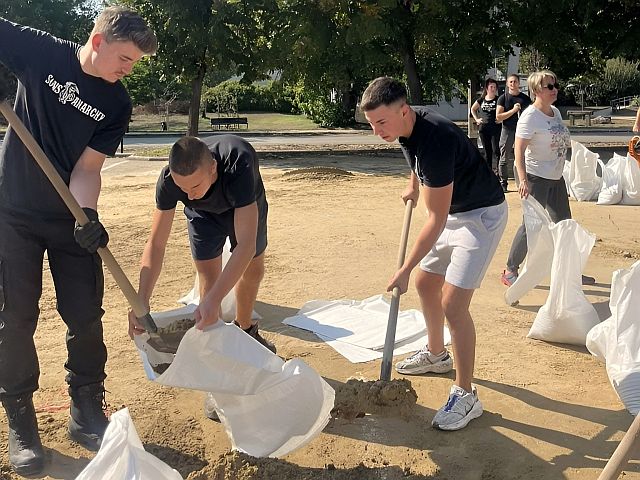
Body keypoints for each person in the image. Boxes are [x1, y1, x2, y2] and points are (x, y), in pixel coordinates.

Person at [0, 7, 157, 475]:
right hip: (14, 214)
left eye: (134, 63)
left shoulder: (117, 103)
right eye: (125, 58)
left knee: (86, 314)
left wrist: (87, 216)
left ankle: (85, 407)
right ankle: (21, 420)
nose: (127, 70)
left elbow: (87, 170)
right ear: (98, 39)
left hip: (69, 215)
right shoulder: (40, 52)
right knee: (15, 317)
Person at [360, 77, 507, 431]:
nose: (377, 131)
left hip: (480, 216)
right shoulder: (405, 127)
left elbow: (436, 219)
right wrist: (413, 184)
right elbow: (414, 157)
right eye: (371, 124)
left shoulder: (436, 140)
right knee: (428, 284)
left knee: (453, 304)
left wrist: (405, 267)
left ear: (403, 111)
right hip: (454, 211)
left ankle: (466, 393)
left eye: (381, 123)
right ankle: (438, 355)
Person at [128, 135, 274, 354]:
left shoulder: (238, 163)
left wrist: (216, 299)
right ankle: (211, 342)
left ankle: (244, 328)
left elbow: (246, 245)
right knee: (208, 278)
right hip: (203, 217)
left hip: (242, 205)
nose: (190, 194)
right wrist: (142, 299)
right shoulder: (169, 181)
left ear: (212, 168)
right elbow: (156, 243)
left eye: (195, 185)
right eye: (182, 187)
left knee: (253, 271)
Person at [500, 71, 595, 287]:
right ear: (536, 91)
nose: (554, 90)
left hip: (555, 177)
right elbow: (518, 150)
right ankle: (510, 269)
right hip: (535, 177)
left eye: (555, 85)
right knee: (531, 224)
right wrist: (522, 180)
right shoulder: (530, 117)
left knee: (565, 225)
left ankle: (570, 272)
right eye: (549, 86)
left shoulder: (555, 113)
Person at [496, 74, 532, 192]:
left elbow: (532, 114)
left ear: (518, 83)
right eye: (510, 82)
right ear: (507, 84)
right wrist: (513, 110)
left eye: (515, 81)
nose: (513, 84)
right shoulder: (503, 98)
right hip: (508, 130)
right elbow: (499, 116)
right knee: (504, 157)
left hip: (523, 131)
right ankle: (503, 182)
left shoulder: (525, 99)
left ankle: (526, 180)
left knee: (526, 156)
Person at [471, 78, 501, 172]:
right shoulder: (481, 100)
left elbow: (504, 111)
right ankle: (488, 172)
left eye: (494, 87)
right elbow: (473, 109)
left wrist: (501, 119)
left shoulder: (499, 100)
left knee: (496, 150)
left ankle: (498, 171)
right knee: (487, 151)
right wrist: (477, 119)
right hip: (484, 129)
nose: (493, 89)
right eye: (491, 86)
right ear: (487, 88)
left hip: (495, 128)